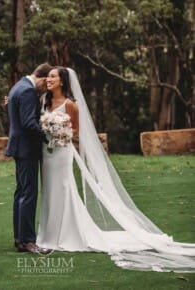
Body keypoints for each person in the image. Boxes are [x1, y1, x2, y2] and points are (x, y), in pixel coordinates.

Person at [37, 66, 195, 272]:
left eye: (52, 76)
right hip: (46, 154)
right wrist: (46, 127)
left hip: (62, 152)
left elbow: (77, 130)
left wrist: (59, 130)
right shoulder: (43, 101)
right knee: (48, 191)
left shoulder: (71, 105)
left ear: (62, 81)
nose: (48, 80)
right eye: (48, 76)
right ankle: (47, 234)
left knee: (64, 190)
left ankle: (66, 233)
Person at [5, 63, 52, 254]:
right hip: (26, 149)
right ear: (41, 78)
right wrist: (48, 136)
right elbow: (28, 123)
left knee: (22, 193)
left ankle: (20, 238)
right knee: (28, 194)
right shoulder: (27, 91)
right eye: (46, 83)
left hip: (20, 147)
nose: (45, 87)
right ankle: (28, 241)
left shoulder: (18, 86)